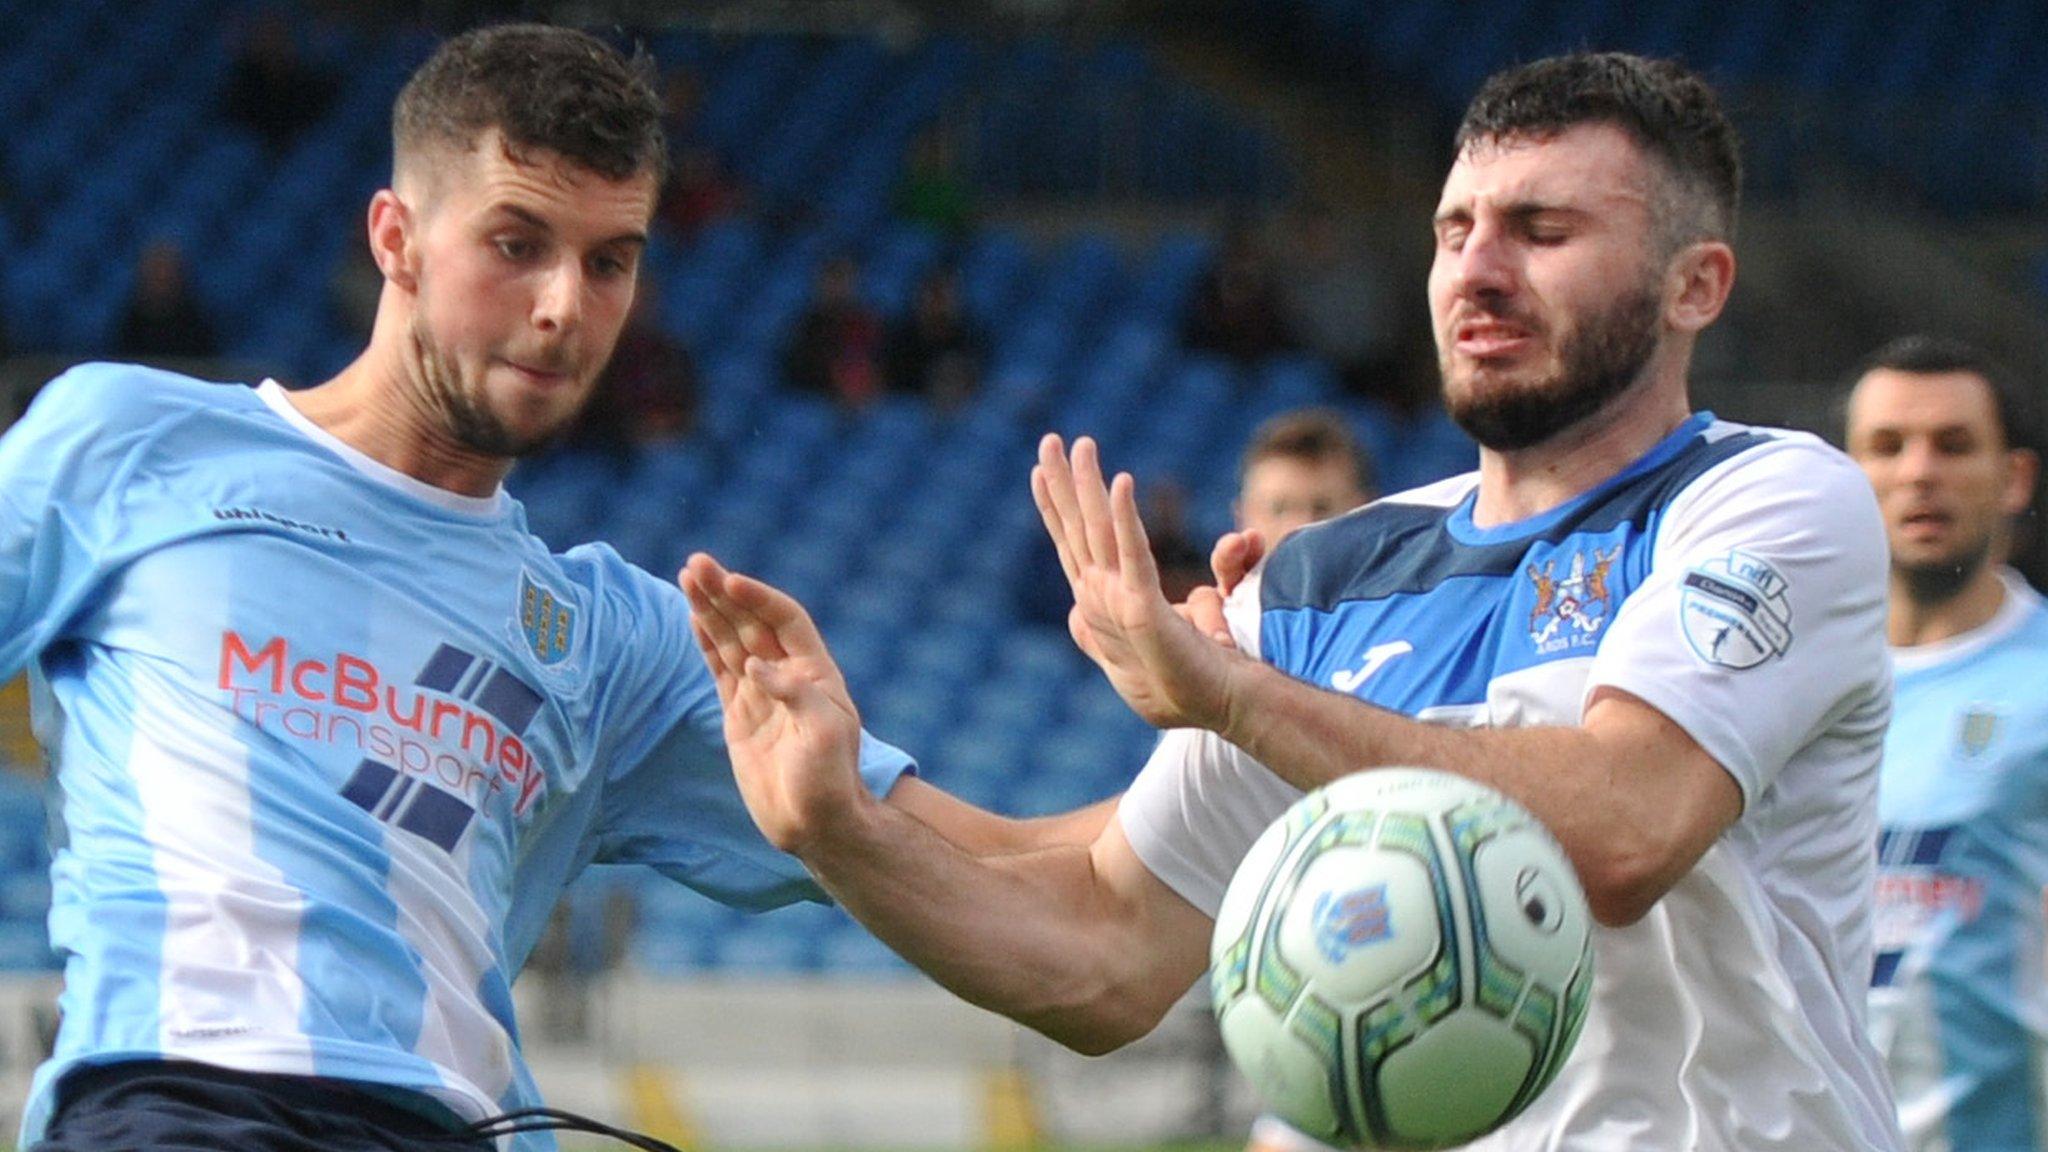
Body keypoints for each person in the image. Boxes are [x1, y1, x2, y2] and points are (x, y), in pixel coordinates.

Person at [682, 51, 1904, 1150]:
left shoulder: (1770, 502)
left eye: (1539, 230)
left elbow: (1626, 831)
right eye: (1452, 229)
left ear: (1695, 285)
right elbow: (1101, 956)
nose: (1475, 270)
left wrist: (1238, 699)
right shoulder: (1321, 581)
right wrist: (837, 828)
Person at [0, 24, 916, 1152]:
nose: (562, 307)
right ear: (396, 238)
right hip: (186, 1107)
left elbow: (1072, 945)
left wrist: (1202, 733)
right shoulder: (133, 447)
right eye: (515, 242)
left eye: (609, 262)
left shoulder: (618, 642)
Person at [1844, 335, 2048, 1152]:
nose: (1918, 472)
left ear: (2014, 479)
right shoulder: (1775, 694)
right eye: (1887, 447)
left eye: (1953, 445)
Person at [116, 238, 221, 361]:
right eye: (155, 272)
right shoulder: (129, 326)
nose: (161, 277)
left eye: (166, 272)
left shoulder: (196, 327)